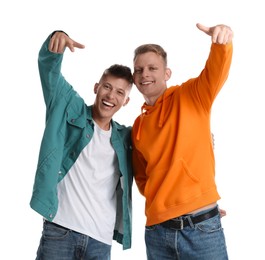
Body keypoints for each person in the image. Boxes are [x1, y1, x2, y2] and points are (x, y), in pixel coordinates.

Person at [131, 23, 233, 259]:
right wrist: (168, 200)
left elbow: (216, 71)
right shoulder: (138, 125)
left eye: (152, 68)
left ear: (167, 73)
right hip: (157, 232)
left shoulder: (192, 95)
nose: (145, 74)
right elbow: (143, 178)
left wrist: (222, 43)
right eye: (139, 69)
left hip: (201, 229)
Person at [30, 31, 134, 260]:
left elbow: (163, 152)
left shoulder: (126, 138)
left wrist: (202, 206)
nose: (111, 95)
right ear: (96, 87)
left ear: (126, 101)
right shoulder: (70, 107)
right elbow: (50, 73)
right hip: (60, 230)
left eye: (119, 92)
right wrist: (55, 44)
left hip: (100, 240)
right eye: (107, 87)